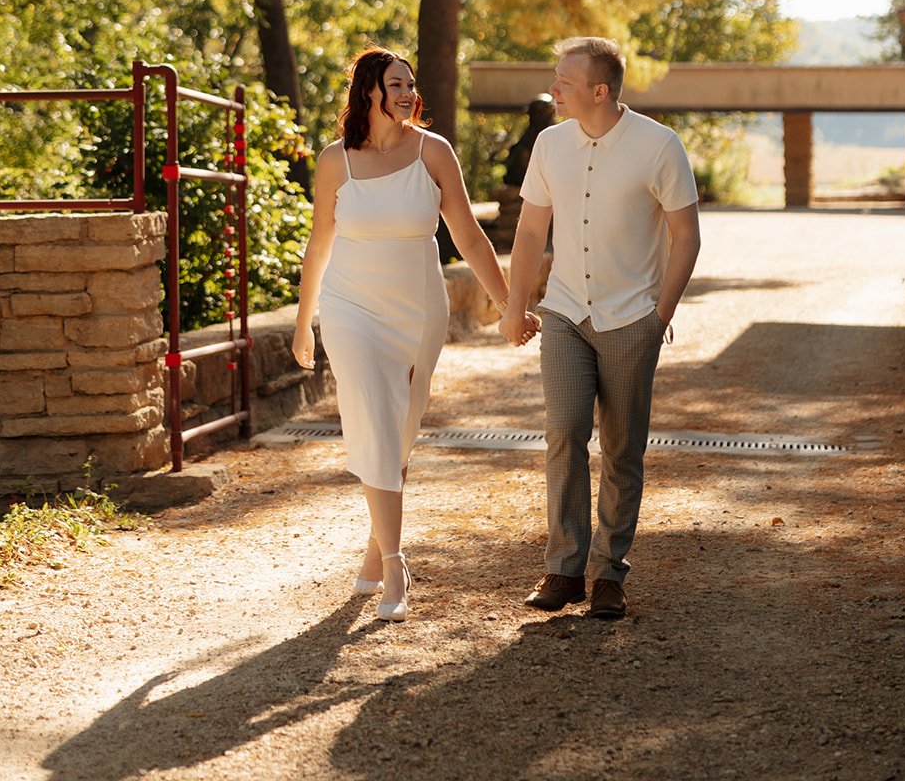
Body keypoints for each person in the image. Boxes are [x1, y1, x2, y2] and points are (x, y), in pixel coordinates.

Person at [291, 46, 523, 623]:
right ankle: (396, 560)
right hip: (349, 305)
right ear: (369, 89)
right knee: (371, 408)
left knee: (401, 425)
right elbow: (319, 243)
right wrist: (304, 320)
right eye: (395, 83)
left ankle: (374, 549)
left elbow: (468, 236)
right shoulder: (334, 161)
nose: (405, 93)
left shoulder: (434, 151)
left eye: (410, 85)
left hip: (418, 307)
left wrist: (507, 303)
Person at [498, 36, 701, 620]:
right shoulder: (549, 144)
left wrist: (660, 313)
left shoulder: (660, 146)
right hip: (565, 312)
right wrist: (516, 304)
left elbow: (686, 235)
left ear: (599, 90)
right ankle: (564, 569)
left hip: (631, 317)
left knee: (621, 446)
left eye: (563, 79)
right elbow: (532, 232)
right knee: (563, 431)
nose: (553, 88)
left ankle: (610, 571)